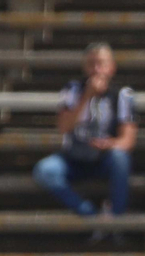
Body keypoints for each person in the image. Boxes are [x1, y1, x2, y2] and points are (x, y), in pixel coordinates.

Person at [32, 43, 137, 234]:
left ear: (112, 67)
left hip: (104, 158)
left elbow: (128, 141)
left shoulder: (123, 94)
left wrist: (109, 144)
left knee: (121, 158)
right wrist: (87, 96)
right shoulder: (72, 89)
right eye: (91, 64)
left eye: (101, 64)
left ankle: (116, 223)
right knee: (45, 170)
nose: (96, 69)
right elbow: (64, 127)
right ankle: (92, 217)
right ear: (85, 67)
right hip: (74, 157)